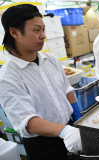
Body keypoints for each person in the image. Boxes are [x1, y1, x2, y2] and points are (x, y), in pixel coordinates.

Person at [0, 4, 82, 160]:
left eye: (43, 30)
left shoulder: (50, 60)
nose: (43, 35)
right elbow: (27, 121)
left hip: (69, 128)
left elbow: (66, 89)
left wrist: (77, 116)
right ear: (14, 32)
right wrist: (63, 131)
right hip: (43, 145)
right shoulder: (7, 77)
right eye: (37, 30)